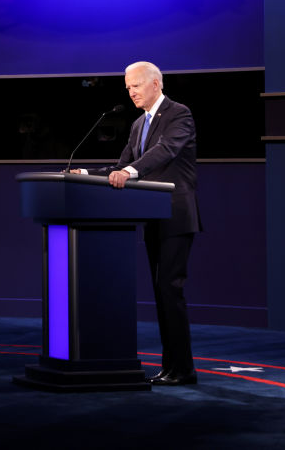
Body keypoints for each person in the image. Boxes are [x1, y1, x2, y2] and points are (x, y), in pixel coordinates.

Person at [69, 61, 200, 386]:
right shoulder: (138, 124)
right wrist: (88, 174)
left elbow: (165, 151)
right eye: (128, 88)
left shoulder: (178, 114)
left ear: (155, 83)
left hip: (176, 214)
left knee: (171, 290)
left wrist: (128, 173)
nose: (131, 93)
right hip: (152, 215)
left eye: (136, 86)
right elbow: (123, 164)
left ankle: (184, 369)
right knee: (161, 292)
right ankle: (171, 368)